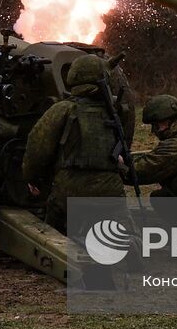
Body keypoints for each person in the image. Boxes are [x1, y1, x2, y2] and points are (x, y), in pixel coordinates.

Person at [21, 54, 130, 231]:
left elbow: (38, 148)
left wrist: (32, 179)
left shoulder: (63, 109)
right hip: (109, 187)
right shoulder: (116, 110)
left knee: (56, 240)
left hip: (69, 188)